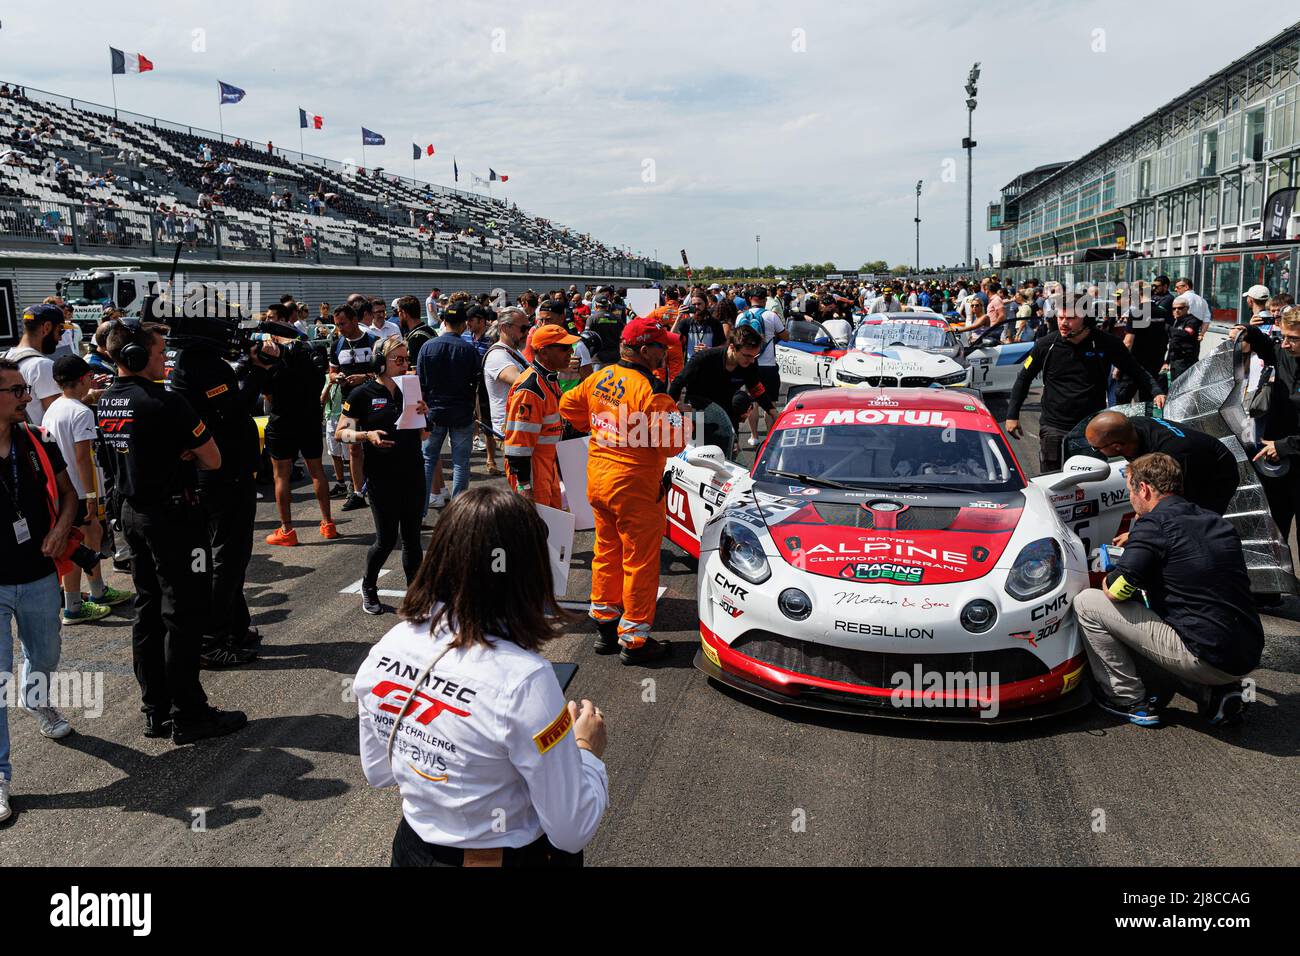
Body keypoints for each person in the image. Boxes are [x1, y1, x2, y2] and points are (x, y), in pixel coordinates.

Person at [354, 486, 608, 866]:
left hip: (414, 851)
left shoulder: (386, 649)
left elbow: (378, 772)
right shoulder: (525, 680)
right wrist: (586, 750)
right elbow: (571, 830)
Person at [96, 321, 246, 744]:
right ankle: (190, 714)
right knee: (184, 614)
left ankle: (156, 710)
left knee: (148, 610)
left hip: (131, 514)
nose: (167, 360)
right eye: (160, 352)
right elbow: (213, 459)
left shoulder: (106, 401)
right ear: (136, 358)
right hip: (173, 518)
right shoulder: (166, 402)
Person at [1072, 453, 1262, 728]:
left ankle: (1127, 699)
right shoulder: (1215, 520)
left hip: (1206, 656)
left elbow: (1115, 591)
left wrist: (1115, 569)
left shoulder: (1153, 525)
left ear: (1144, 489)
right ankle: (1218, 690)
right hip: (1248, 650)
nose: (1130, 499)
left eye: (1130, 491)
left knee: (1088, 603)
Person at [559, 317, 687, 664]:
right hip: (635, 487)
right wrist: (680, 418)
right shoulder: (652, 391)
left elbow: (569, 408)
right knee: (640, 561)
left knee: (607, 552)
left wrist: (604, 424)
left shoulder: (599, 376)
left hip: (599, 479)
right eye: (663, 346)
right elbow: (673, 445)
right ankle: (634, 640)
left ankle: (605, 625)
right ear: (645, 351)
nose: (668, 351)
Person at [0, 356, 80, 822]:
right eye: (16, 392)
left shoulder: (38, 441)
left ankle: (37, 697)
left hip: (37, 573)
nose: (27, 398)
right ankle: (1, 775)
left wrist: (61, 528)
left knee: (45, 656)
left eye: (24, 390)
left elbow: (70, 494)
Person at [169, 321, 272, 664]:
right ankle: (211, 640)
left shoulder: (193, 360)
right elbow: (232, 409)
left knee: (232, 558)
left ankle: (236, 628)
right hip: (224, 475)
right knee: (229, 559)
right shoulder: (205, 364)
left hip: (220, 473)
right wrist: (257, 372)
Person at [1005, 306, 1167, 472]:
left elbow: (1136, 370)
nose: (1063, 323)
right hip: (1054, 425)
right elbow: (1024, 378)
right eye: (1060, 318)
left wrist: (1157, 391)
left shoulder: (1106, 342)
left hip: (1093, 427)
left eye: (1071, 318)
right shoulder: (1046, 344)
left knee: (1091, 482)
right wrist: (1012, 415)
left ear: (1087, 320)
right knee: (1052, 480)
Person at [336, 338, 428, 615]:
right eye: (397, 360)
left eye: (406, 359)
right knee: (386, 539)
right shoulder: (361, 394)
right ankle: (369, 586)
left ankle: (415, 597)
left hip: (412, 472)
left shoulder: (411, 390)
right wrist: (367, 435)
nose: (404, 364)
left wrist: (426, 413)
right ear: (380, 362)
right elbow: (341, 432)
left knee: (412, 537)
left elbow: (425, 433)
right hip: (381, 477)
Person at [43, 356, 132, 625]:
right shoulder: (80, 413)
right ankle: (74, 606)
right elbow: (83, 458)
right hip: (79, 491)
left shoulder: (55, 408)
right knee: (78, 545)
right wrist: (92, 496)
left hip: (62, 489)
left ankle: (97, 591)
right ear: (83, 379)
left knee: (92, 537)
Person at [262, 310, 338, 547]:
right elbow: (319, 379)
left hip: (282, 418)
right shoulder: (309, 349)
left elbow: (268, 394)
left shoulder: (270, 355)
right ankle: (328, 524)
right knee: (316, 469)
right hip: (309, 416)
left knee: (281, 475)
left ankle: (287, 530)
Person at [1084, 411, 1239, 518]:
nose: (1095, 452)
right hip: (1191, 454)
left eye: (1096, 448)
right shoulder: (1130, 429)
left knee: (1192, 521)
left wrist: (1144, 531)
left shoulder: (1172, 454)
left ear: (1116, 446)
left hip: (1216, 472)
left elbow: (1170, 502)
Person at [1230, 310, 1300, 545]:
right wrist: (1246, 330)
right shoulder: (1283, 353)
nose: (1287, 344)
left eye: (1294, 339)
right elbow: (1264, 343)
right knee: (1275, 535)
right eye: (1285, 337)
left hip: (1289, 452)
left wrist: (1284, 445)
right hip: (1276, 464)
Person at [504, 325, 578, 509]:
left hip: (546, 467)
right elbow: (517, 447)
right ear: (544, 352)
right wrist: (524, 486)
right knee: (536, 532)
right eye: (564, 348)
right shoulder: (530, 389)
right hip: (532, 473)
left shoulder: (548, 379)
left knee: (551, 529)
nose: (570, 351)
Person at [417, 300, 479, 514]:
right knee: (461, 463)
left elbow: (421, 384)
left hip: (433, 413)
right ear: (463, 324)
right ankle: (457, 514)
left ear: (443, 321)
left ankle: (420, 512)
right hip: (461, 413)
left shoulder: (427, 347)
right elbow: (476, 385)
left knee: (428, 460)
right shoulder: (469, 349)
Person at [668, 326, 765, 454]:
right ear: (732, 348)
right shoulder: (704, 358)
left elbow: (755, 388)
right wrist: (675, 408)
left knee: (726, 458)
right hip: (697, 415)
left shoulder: (749, 364)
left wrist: (771, 411)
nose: (751, 360)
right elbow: (677, 383)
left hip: (724, 418)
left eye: (754, 356)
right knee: (697, 458)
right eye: (747, 355)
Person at [328, 303, 380, 512]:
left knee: (375, 446)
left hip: (374, 402)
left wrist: (364, 378)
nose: (339, 328)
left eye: (342, 324)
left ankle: (377, 487)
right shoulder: (336, 344)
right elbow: (331, 372)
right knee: (352, 446)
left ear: (354, 320)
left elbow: (384, 372)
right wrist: (337, 377)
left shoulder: (373, 341)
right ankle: (357, 492)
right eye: (337, 324)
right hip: (349, 404)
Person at [737, 287, 786, 448]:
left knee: (753, 403)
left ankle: (754, 436)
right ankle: (770, 439)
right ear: (765, 300)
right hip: (769, 365)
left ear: (749, 299)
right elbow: (785, 336)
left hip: (748, 364)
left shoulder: (741, 317)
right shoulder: (771, 315)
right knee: (769, 403)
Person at [482, 306, 530, 462]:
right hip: (511, 431)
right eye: (523, 328)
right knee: (522, 483)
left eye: (528, 327)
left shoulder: (512, 351)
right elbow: (523, 381)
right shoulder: (497, 355)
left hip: (519, 427)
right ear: (504, 328)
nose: (527, 333)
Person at [4, 304, 62, 427]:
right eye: (60, 330)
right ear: (46, 328)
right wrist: (88, 396)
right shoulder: (42, 366)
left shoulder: (5, 358)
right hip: (33, 443)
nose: (60, 338)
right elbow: (60, 415)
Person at [1162, 294, 1204, 383]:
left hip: (1186, 361)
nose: (1176, 310)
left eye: (1180, 308)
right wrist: (1167, 361)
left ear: (1187, 308)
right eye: (1174, 308)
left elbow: (1185, 334)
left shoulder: (1193, 321)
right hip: (1175, 361)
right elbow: (1173, 343)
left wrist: (1166, 327)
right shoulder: (1175, 322)